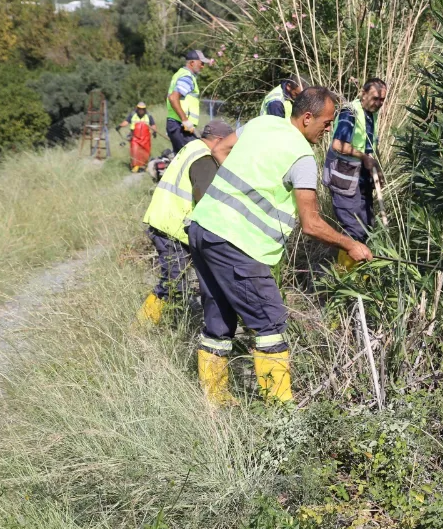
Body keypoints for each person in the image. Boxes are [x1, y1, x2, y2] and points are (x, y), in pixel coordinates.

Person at [188, 87, 373, 405]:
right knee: (270, 323)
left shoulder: (261, 123)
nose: (328, 129)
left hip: (203, 227)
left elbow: (219, 150)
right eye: (326, 123)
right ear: (307, 118)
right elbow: (311, 223)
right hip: (237, 244)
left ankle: (215, 402)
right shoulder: (301, 157)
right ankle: (279, 413)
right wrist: (350, 244)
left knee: (219, 320)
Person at [137, 120, 235, 325]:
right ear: (218, 140)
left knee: (175, 282)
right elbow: (206, 198)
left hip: (165, 221)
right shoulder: (205, 158)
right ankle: (143, 327)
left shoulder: (192, 147)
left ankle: (163, 323)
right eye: (229, 146)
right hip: (172, 226)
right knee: (174, 284)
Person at [323, 78, 387, 267]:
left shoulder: (371, 113)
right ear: (363, 94)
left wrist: (376, 167)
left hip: (361, 180)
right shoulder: (350, 112)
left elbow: (367, 148)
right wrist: (364, 158)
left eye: (382, 100)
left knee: (366, 228)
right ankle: (345, 279)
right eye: (375, 98)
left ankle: (359, 277)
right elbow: (338, 145)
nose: (379, 104)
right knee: (353, 230)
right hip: (345, 179)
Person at [166, 50, 210, 152]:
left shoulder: (180, 74)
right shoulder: (187, 77)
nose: (203, 66)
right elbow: (173, 98)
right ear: (192, 63)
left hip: (177, 124)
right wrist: (185, 120)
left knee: (182, 159)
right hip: (180, 126)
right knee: (193, 157)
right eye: (201, 63)